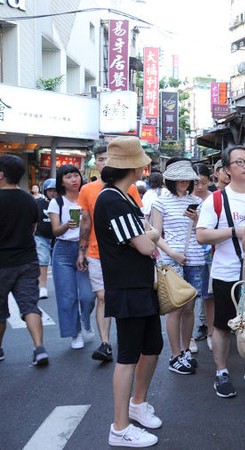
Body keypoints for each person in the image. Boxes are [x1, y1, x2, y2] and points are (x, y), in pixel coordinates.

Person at [94, 137, 162, 447]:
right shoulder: (112, 200)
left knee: (152, 347)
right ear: (133, 166)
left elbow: (144, 240)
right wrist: (154, 231)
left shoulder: (124, 196)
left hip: (139, 285)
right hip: (127, 287)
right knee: (128, 357)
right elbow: (146, 245)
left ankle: (137, 405)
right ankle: (119, 427)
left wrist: (148, 234)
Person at [196, 146, 245, 398]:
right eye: (239, 161)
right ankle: (221, 372)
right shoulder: (217, 199)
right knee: (222, 325)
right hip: (226, 273)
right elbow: (201, 235)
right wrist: (235, 231)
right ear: (227, 170)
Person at [77, 144, 143, 363]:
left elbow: (139, 222)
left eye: (107, 158)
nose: (104, 162)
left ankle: (121, 339)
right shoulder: (87, 190)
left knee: (115, 296)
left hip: (123, 253)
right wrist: (82, 251)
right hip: (96, 252)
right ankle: (105, 342)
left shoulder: (130, 189)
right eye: (100, 159)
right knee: (102, 296)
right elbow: (85, 222)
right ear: (95, 163)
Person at [150, 157, 203, 375]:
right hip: (172, 260)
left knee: (190, 307)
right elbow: (155, 234)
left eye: (187, 178)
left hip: (196, 258)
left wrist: (197, 218)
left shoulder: (197, 201)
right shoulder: (160, 202)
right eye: (179, 178)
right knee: (176, 308)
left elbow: (203, 231)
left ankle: (185, 349)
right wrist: (172, 253)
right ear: (170, 180)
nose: (183, 181)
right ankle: (175, 355)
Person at [0, 155, 49, 365]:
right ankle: (39, 348)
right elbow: (33, 229)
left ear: (1, 175)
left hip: (2, 263)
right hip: (28, 260)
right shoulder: (29, 199)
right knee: (30, 306)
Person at [48, 164, 95, 350]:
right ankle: (74, 334)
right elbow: (55, 231)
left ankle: (85, 321)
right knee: (67, 296)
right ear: (62, 181)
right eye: (68, 177)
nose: (74, 180)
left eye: (76, 175)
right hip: (63, 251)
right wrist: (68, 225)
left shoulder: (87, 197)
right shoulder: (57, 202)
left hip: (84, 248)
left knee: (88, 296)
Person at [192, 164, 213, 348]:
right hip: (188, 253)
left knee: (207, 292)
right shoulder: (183, 199)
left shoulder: (213, 200)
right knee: (192, 294)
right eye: (196, 183)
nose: (199, 187)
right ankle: (199, 327)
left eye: (203, 183)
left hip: (208, 252)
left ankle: (206, 325)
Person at [34, 178, 57, 299]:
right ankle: (42, 287)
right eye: (50, 190)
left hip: (57, 237)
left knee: (57, 263)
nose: (53, 193)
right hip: (41, 236)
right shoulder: (39, 203)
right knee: (42, 261)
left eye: (55, 190)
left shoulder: (61, 203)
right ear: (45, 191)